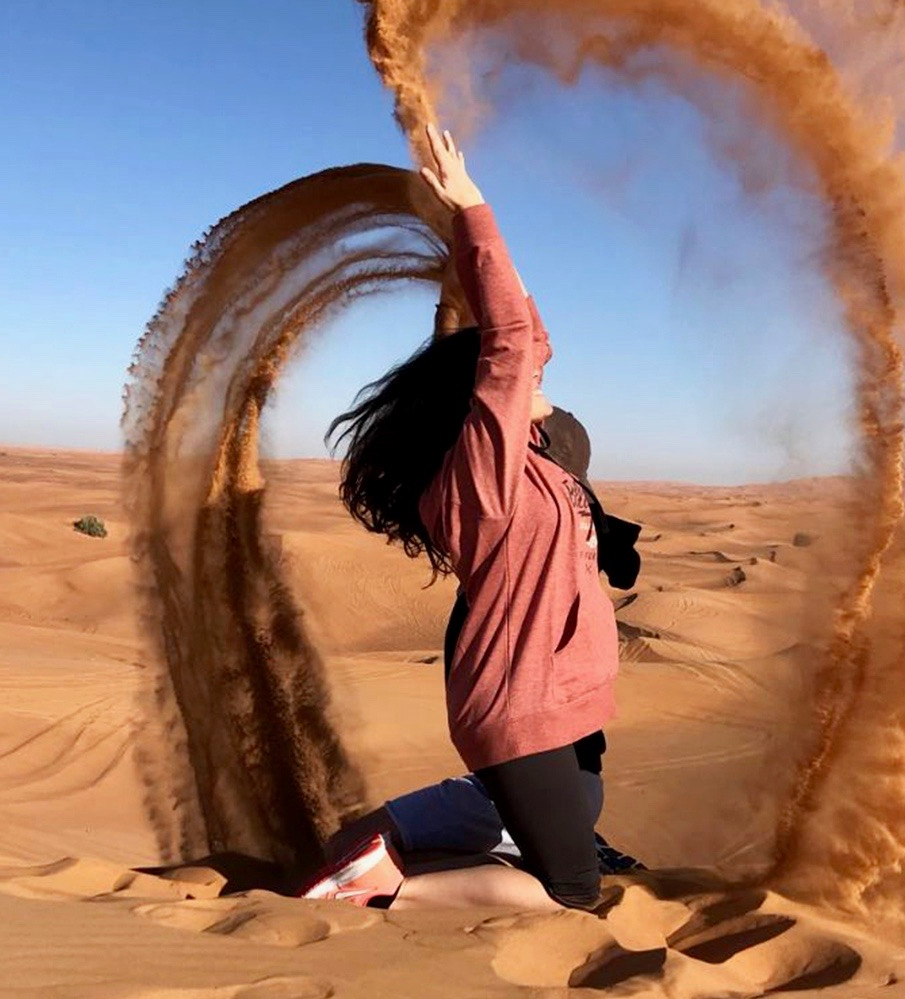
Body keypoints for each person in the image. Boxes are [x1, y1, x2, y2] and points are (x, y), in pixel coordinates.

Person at [300, 124, 624, 911]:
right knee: (572, 889)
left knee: (583, 808)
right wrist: (472, 207)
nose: (539, 374)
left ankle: (413, 822)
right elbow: (512, 344)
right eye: (516, 381)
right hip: (518, 705)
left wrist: (457, 248)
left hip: (553, 691)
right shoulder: (482, 478)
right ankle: (384, 890)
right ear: (476, 404)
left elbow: (526, 341)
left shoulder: (531, 456)